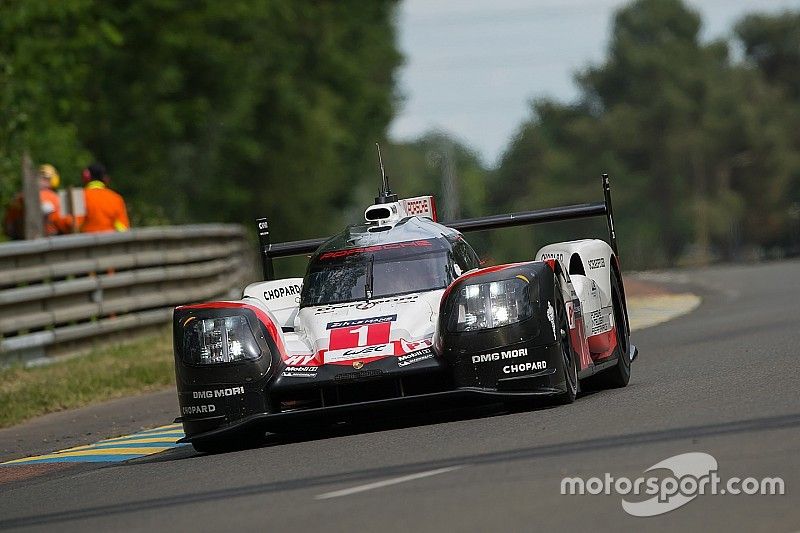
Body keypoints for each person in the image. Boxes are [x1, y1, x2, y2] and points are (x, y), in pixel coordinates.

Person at [2, 164, 70, 239]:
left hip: (21, 240)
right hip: (49, 239)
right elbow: (65, 224)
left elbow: (8, 226)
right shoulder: (53, 197)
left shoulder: (19, 197)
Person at [78, 162, 130, 233]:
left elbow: (72, 224)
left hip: (85, 242)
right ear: (105, 179)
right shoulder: (116, 198)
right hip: (111, 241)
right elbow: (123, 229)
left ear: (86, 177)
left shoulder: (79, 197)